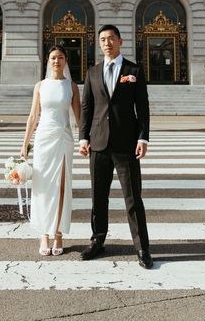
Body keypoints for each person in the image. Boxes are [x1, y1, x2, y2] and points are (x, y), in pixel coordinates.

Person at [79, 24, 153, 269]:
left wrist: (143, 138)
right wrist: (83, 138)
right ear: (99, 44)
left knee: (133, 198)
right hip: (99, 144)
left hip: (126, 144)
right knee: (99, 197)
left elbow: (142, 108)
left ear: (120, 41)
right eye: (102, 40)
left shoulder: (134, 70)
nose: (107, 43)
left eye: (111, 38)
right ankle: (97, 241)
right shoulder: (92, 72)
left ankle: (142, 247)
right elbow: (87, 108)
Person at [20, 45, 81, 256]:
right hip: (43, 139)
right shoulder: (40, 86)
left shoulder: (71, 86)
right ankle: (44, 233)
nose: (57, 61)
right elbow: (33, 116)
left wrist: (85, 140)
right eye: (53, 58)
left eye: (61, 57)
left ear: (66, 61)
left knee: (62, 186)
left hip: (63, 138)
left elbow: (79, 117)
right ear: (48, 61)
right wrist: (24, 145)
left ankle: (59, 233)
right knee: (43, 186)